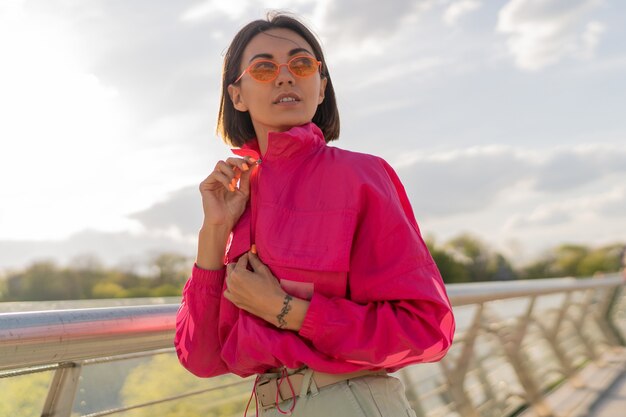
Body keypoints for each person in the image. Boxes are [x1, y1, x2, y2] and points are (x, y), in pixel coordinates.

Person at [175, 12, 455, 417]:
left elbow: (425, 329)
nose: (286, 77)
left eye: (302, 64)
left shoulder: (361, 176)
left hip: (350, 402)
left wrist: (285, 310)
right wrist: (215, 231)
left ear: (321, 87)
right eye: (264, 67)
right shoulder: (240, 196)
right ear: (237, 95)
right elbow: (201, 358)